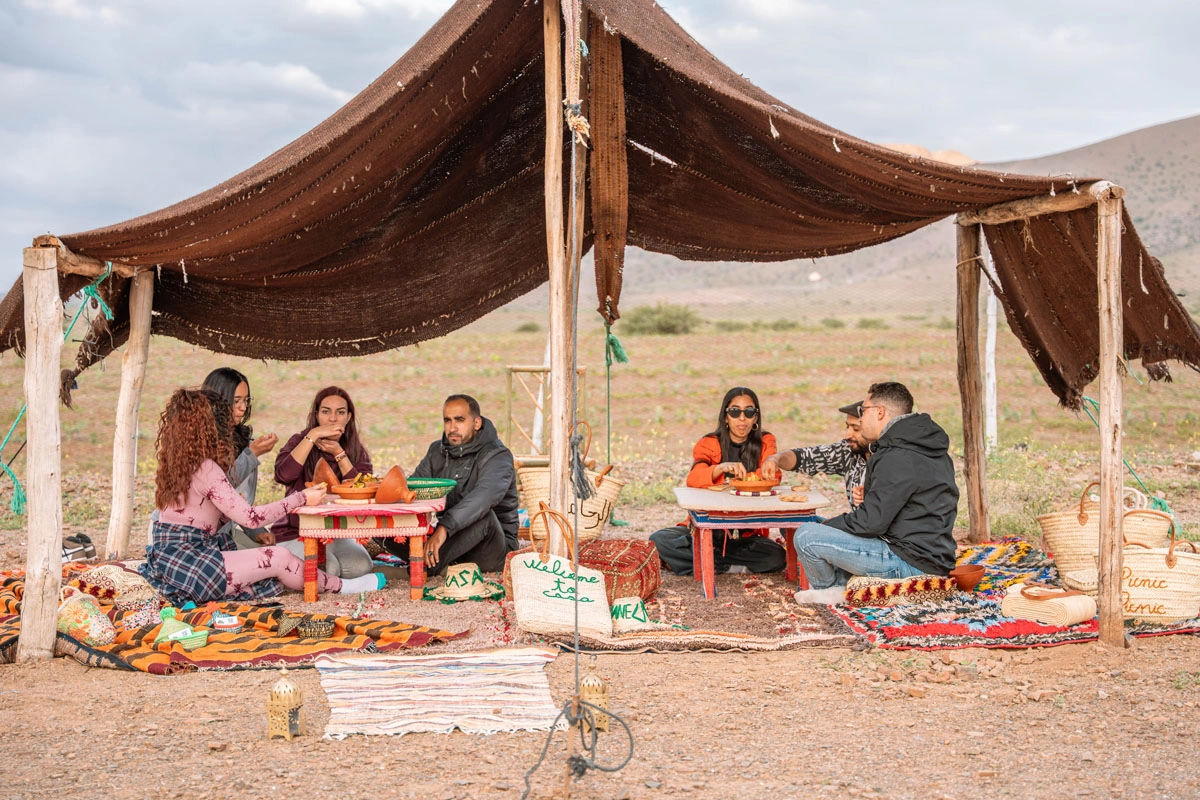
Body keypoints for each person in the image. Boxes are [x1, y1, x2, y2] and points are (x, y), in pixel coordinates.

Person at [139, 388, 384, 605]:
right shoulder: (207, 469)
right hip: (193, 562)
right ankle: (343, 586)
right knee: (279, 559)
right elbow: (252, 518)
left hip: (173, 559)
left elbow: (207, 516)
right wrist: (302, 498)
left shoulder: (177, 464)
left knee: (267, 577)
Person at [791, 382, 959, 603]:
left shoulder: (898, 454)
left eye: (864, 410)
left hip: (910, 562)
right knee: (815, 523)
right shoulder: (922, 446)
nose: (860, 419)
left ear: (880, 412)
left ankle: (835, 591)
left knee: (807, 535)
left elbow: (870, 524)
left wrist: (827, 527)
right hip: (926, 555)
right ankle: (845, 584)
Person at [650, 386, 787, 575]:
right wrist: (720, 468)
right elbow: (694, 478)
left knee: (777, 556)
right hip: (707, 529)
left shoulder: (765, 441)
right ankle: (729, 565)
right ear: (726, 417)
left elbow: (774, 476)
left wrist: (747, 478)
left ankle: (707, 561)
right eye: (735, 412)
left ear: (755, 418)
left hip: (745, 535)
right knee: (659, 540)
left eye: (748, 412)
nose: (742, 418)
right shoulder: (709, 442)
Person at [394, 394, 518, 574]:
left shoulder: (498, 455)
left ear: (477, 423)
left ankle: (423, 568)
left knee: (483, 515)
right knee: (385, 519)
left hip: (491, 547)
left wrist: (444, 528)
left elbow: (483, 498)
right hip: (451, 541)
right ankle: (427, 558)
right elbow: (414, 489)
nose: (452, 427)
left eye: (459, 420)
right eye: (447, 420)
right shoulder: (437, 451)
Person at [271, 386, 374, 578]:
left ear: (348, 417)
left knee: (361, 567)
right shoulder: (300, 440)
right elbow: (283, 475)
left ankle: (333, 582)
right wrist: (312, 436)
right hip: (297, 532)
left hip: (337, 533)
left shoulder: (355, 449)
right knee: (328, 568)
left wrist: (339, 453)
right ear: (316, 415)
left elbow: (363, 491)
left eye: (340, 412)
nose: (333, 419)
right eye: (326, 412)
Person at [200, 367, 278, 548]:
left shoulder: (241, 438)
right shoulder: (197, 440)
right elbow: (216, 492)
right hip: (193, 535)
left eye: (246, 400)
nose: (243, 407)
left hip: (222, 532)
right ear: (217, 400)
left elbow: (238, 499)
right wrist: (252, 455)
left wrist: (255, 530)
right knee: (266, 561)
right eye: (236, 401)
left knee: (272, 553)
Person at [761, 400, 872, 511]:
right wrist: (776, 458)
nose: (847, 435)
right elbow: (805, 457)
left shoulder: (882, 459)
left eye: (856, 429)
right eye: (847, 427)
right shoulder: (846, 451)